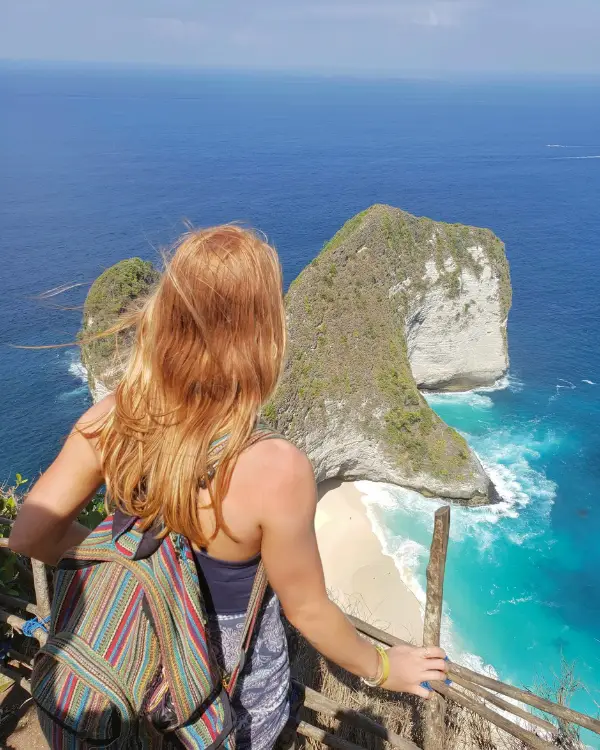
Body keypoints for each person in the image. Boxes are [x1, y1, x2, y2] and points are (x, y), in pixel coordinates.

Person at [10, 225, 448, 749]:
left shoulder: (111, 419)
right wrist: (382, 666)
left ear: (165, 313)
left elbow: (29, 535)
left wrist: (121, 556)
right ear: (263, 335)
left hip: (121, 682)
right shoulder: (275, 468)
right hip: (222, 708)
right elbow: (306, 609)